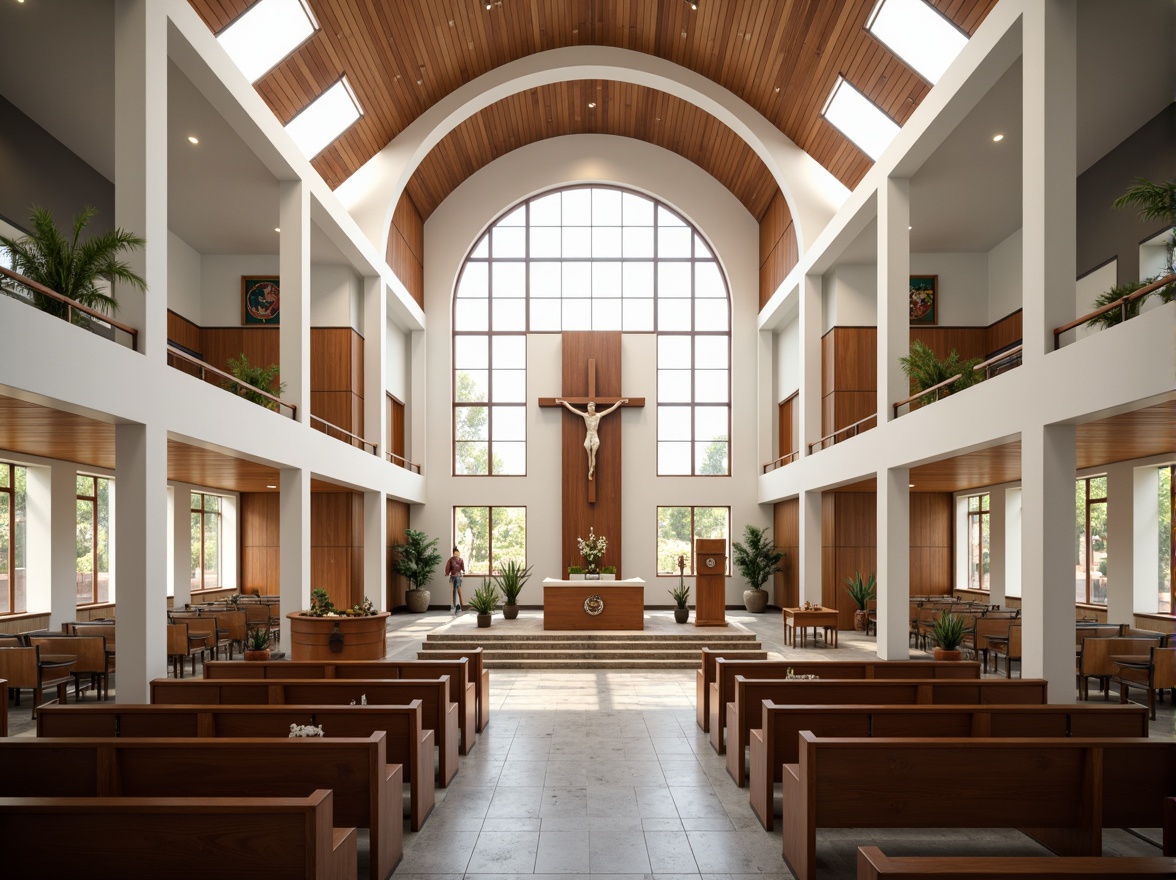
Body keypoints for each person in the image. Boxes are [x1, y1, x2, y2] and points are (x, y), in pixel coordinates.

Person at [554, 398, 627, 480]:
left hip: (595, 435)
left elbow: (610, 410)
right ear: (587, 408)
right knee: (589, 455)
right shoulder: (585, 415)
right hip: (588, 436)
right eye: (589, 406)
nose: (591, 407)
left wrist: (618, 403)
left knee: (593, 454)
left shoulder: (598, 415)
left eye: (592, 406)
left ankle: (592, 469)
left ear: (594, 408)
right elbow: (574, 410)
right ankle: (590, 471)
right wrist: (565, 403)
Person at [444, 546, 465, 615]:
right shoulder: (451, 560)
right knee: (456, 591)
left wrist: (447, 573)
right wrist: (447, 573)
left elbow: (462, 568)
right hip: (454, 577)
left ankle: (459, 606)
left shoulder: (459, 560)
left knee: (456, 591)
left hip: (456, 577)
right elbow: (448, 568)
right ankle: (459, 606)